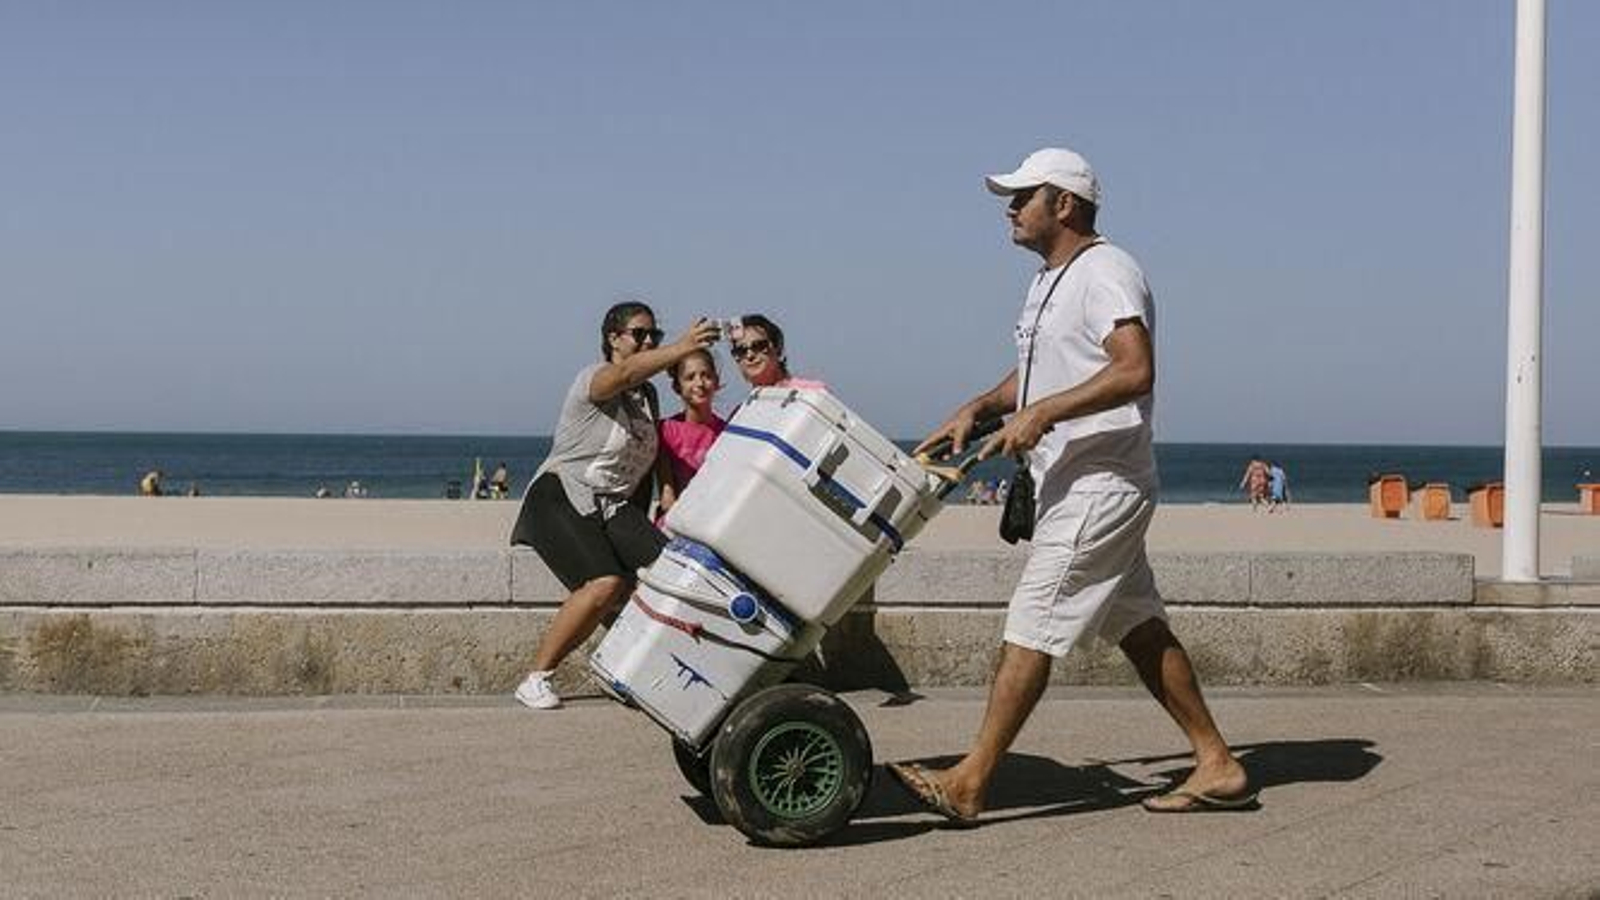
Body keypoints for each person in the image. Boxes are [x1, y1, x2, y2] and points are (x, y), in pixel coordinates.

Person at [893, 147, 1252, 822]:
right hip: (1072, 481)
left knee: (1030, 625)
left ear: (1064, 203)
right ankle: (1218, 763)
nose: (1010, 207)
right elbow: (1041, 375)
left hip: (1099, 483)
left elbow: (1133, 370)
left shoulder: (1107, 271)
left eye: (1023, 195)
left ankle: (969, 783)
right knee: (1141, 629)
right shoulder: (1049, 281)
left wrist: (1043, 414)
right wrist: (983, 406)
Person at [509, 301, 719, 710]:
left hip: (614, 505)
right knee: (607, 583)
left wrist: (661, 502)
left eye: (652, 336)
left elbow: (643, 466)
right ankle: (536, 677)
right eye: (638, 334)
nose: (646, 341)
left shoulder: (649, 397)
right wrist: (682, 347)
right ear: (613, 339)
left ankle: (631, 670)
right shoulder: (595, 378)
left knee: (671, 573)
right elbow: (623, 374)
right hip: (563, 493)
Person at [653, 348, 727, 523]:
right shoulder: (666, 430)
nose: (699, 383)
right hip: (676, 522)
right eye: (690, 377)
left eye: (706, 376)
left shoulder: (727, 433)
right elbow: (667, 497)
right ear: (677, 386)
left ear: (716, 382)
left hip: (715, 520)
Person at [728, 314, 825, 390]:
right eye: (741, 351)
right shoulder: (740, 412)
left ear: (777, 348)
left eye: (758, 346)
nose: (750, 355)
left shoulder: (811, 393)